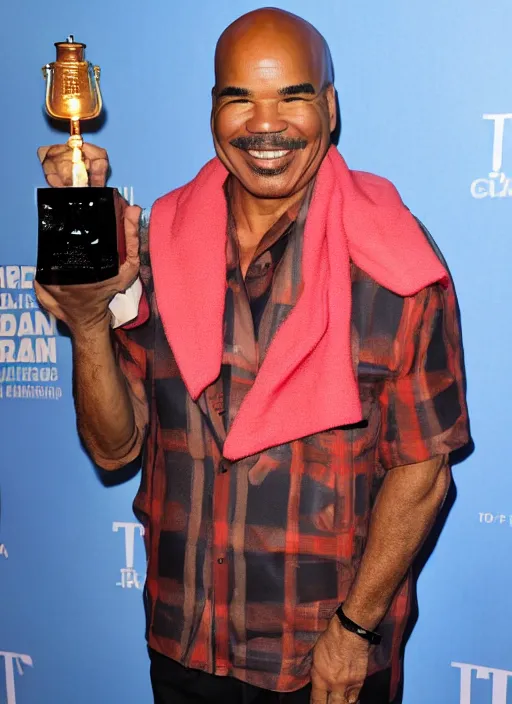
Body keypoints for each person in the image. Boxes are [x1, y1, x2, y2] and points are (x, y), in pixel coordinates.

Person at [36, 7, 470, 704]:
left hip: (324, 659)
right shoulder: (154, 247)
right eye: (239, 97)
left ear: (328, 108)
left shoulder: (398, 264)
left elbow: (423, 471)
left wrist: (354, 633)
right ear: (213, 112)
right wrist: (89, 325)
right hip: (183, 642)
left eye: (292, 96)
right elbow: (115, 451)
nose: (264, 124)